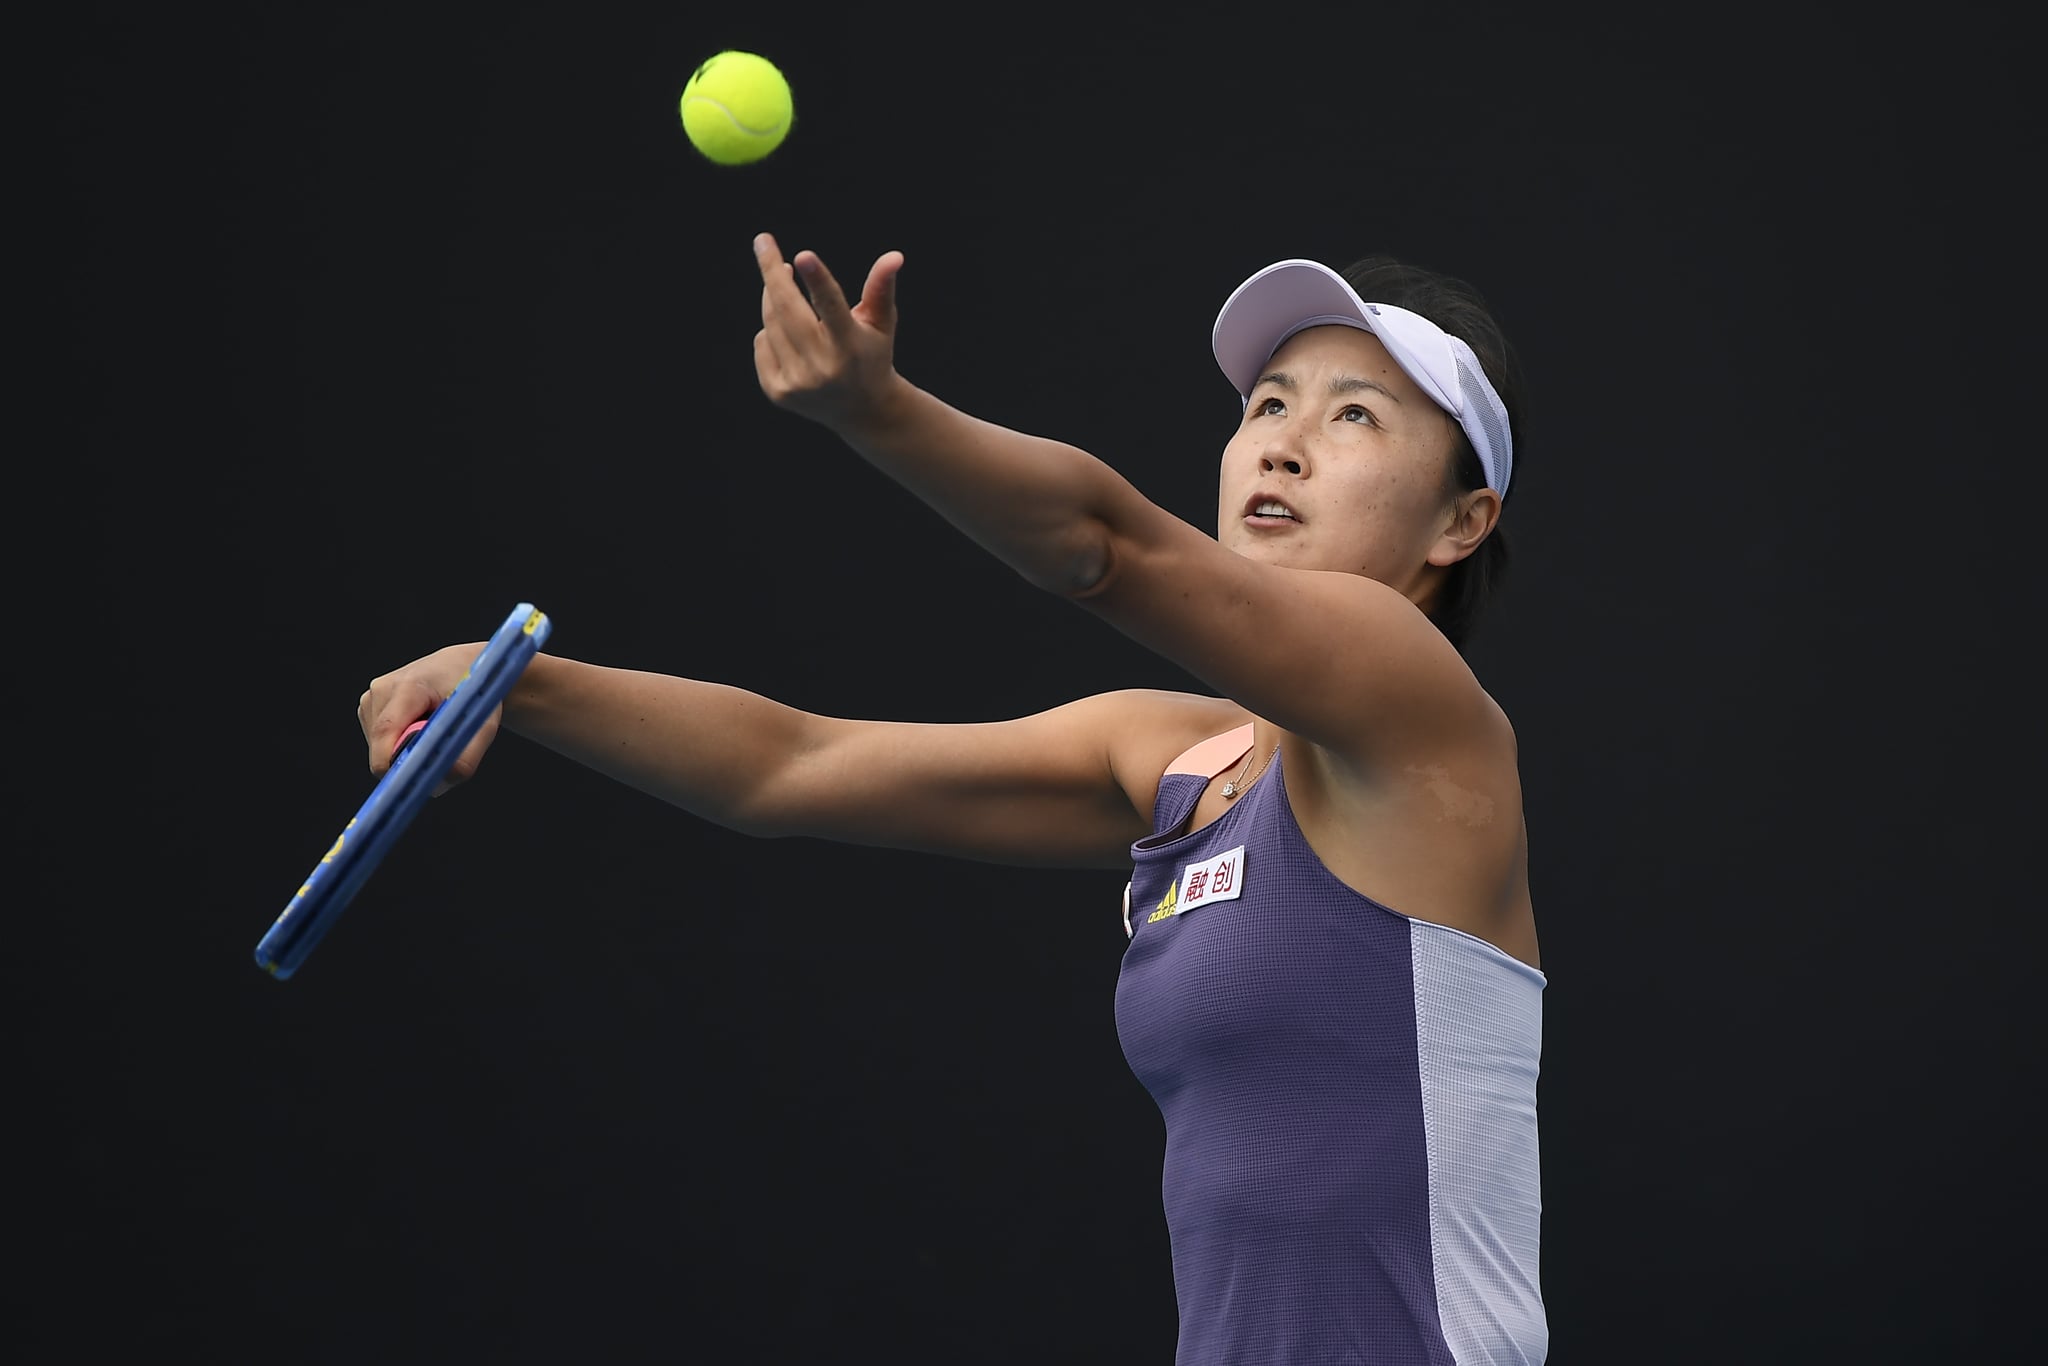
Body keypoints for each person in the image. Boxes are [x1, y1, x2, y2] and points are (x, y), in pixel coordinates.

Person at [358, 233, 1547, 1365]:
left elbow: (1105, 546)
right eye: (1267, 405)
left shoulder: (1424, 718)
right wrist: (509, 679)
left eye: (1353, 415)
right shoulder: (1176, 763)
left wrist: (878, 412)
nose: (1283, 445)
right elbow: (783, 766)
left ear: (1461, 520)